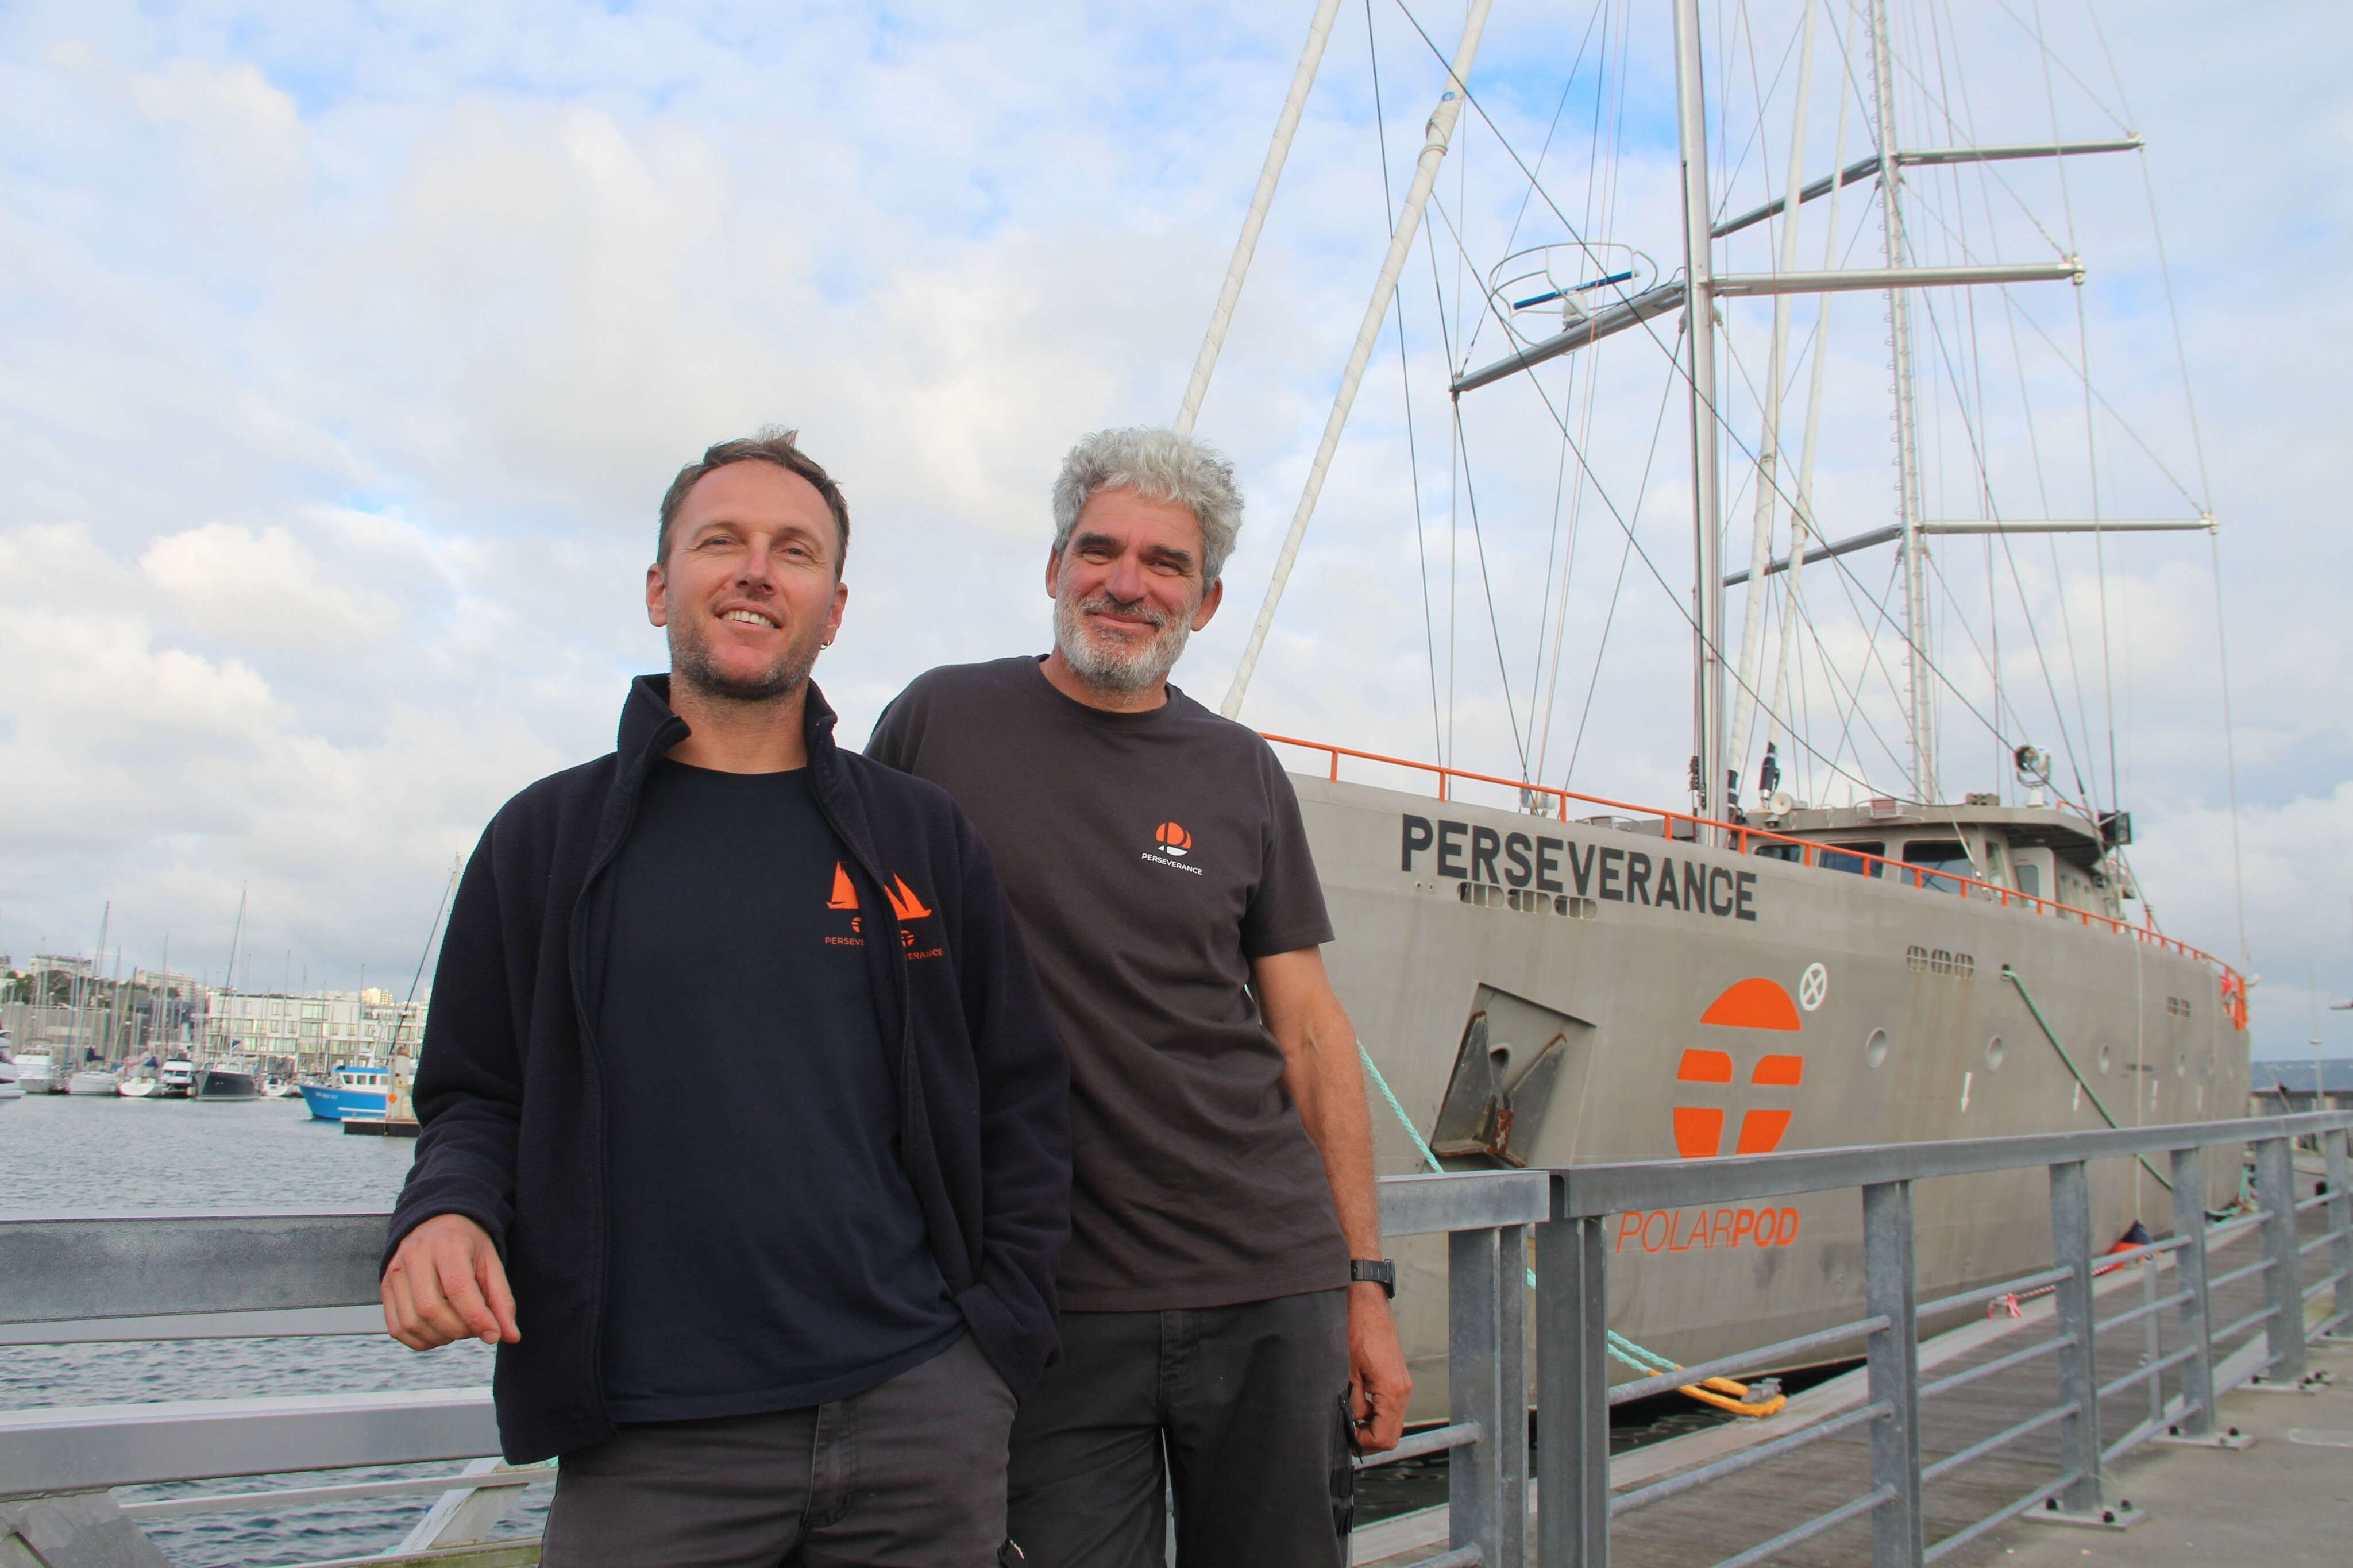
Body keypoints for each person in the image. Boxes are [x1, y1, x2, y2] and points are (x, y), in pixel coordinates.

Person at [380, 428, 1070, 1568]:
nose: (757, 571)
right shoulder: (542, 840)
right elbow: (475, 1094)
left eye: (793, 551)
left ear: (833, 608)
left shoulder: (921, 835)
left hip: (920, 1419)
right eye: (722, 542)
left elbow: (1021, 1102)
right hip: (653, 1442)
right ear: (661, 586)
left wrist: (994, 1351)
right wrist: (444, 1210)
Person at [866, 427, 1409, 1568]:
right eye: (1100, 551)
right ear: (1054, 567)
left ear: (1203, 605)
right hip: (1045, 1302)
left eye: (1164, 565)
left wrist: (1364, 1288)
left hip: (1269, 1279)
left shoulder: (1241, 772)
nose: (1126, 583)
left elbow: (1309, 1036)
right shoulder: (936, 726)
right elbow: (848, 975)